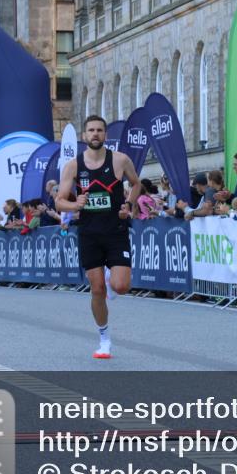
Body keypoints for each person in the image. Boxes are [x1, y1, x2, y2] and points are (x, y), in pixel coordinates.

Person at [56, 114, 141, 360]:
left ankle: (110, 276)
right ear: (84, 136)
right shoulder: (73, 166)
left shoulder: (120, 160)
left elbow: (136, 184)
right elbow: (60, 201)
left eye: (99, 130)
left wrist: (129, 204)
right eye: (91, 130)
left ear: (105, 135)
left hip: (116, 231)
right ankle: (104, 339)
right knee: (97, 290)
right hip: (89, 233)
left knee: (121, 286)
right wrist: (75, 205)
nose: (95, 134)